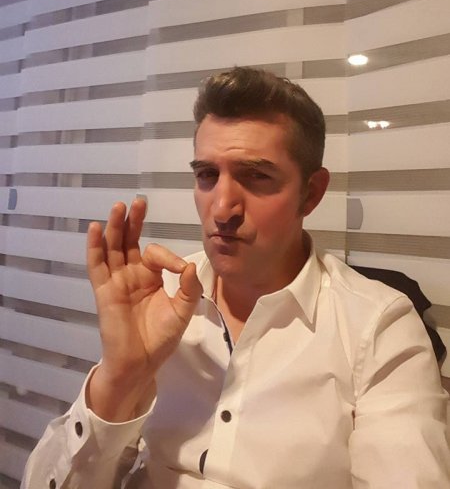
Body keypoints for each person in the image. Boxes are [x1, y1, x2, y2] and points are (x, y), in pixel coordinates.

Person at [21, 67, 449, 488]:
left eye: (256, 176)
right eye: (207, 175)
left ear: (311, 193)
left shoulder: (377, 327)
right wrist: (119, 380)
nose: (223, 208)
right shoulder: (161, 300)